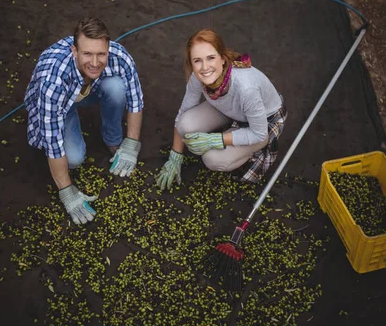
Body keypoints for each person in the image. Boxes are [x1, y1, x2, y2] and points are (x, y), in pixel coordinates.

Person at [24, 16, 144, 225]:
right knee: (73, 159)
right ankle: (74, 121)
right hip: (60, 106)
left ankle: (113, 141)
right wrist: (67, 191)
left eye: (101, 54)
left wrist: (132, 144)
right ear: (74, 51)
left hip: (89, 89)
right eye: (87, 54)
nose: (95, 62)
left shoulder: (120, 56)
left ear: (108, 48)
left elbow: (135, 101)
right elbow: (53, 143)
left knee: (116, 88)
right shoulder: (54, 81)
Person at [156, 28, 287, 190]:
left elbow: (259, 134)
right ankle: (231, 133)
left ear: (223, 59)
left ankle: (248, 152)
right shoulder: (198, 77)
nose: (205, 67)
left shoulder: (246, 88)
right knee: (185, 125)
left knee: (212, 159)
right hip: (231, 110)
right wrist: (175, 156)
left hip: (264, 123)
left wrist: (216, 140)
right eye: (197, 60)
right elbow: (183, 113)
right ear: (191, 63)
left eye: (211, 58)